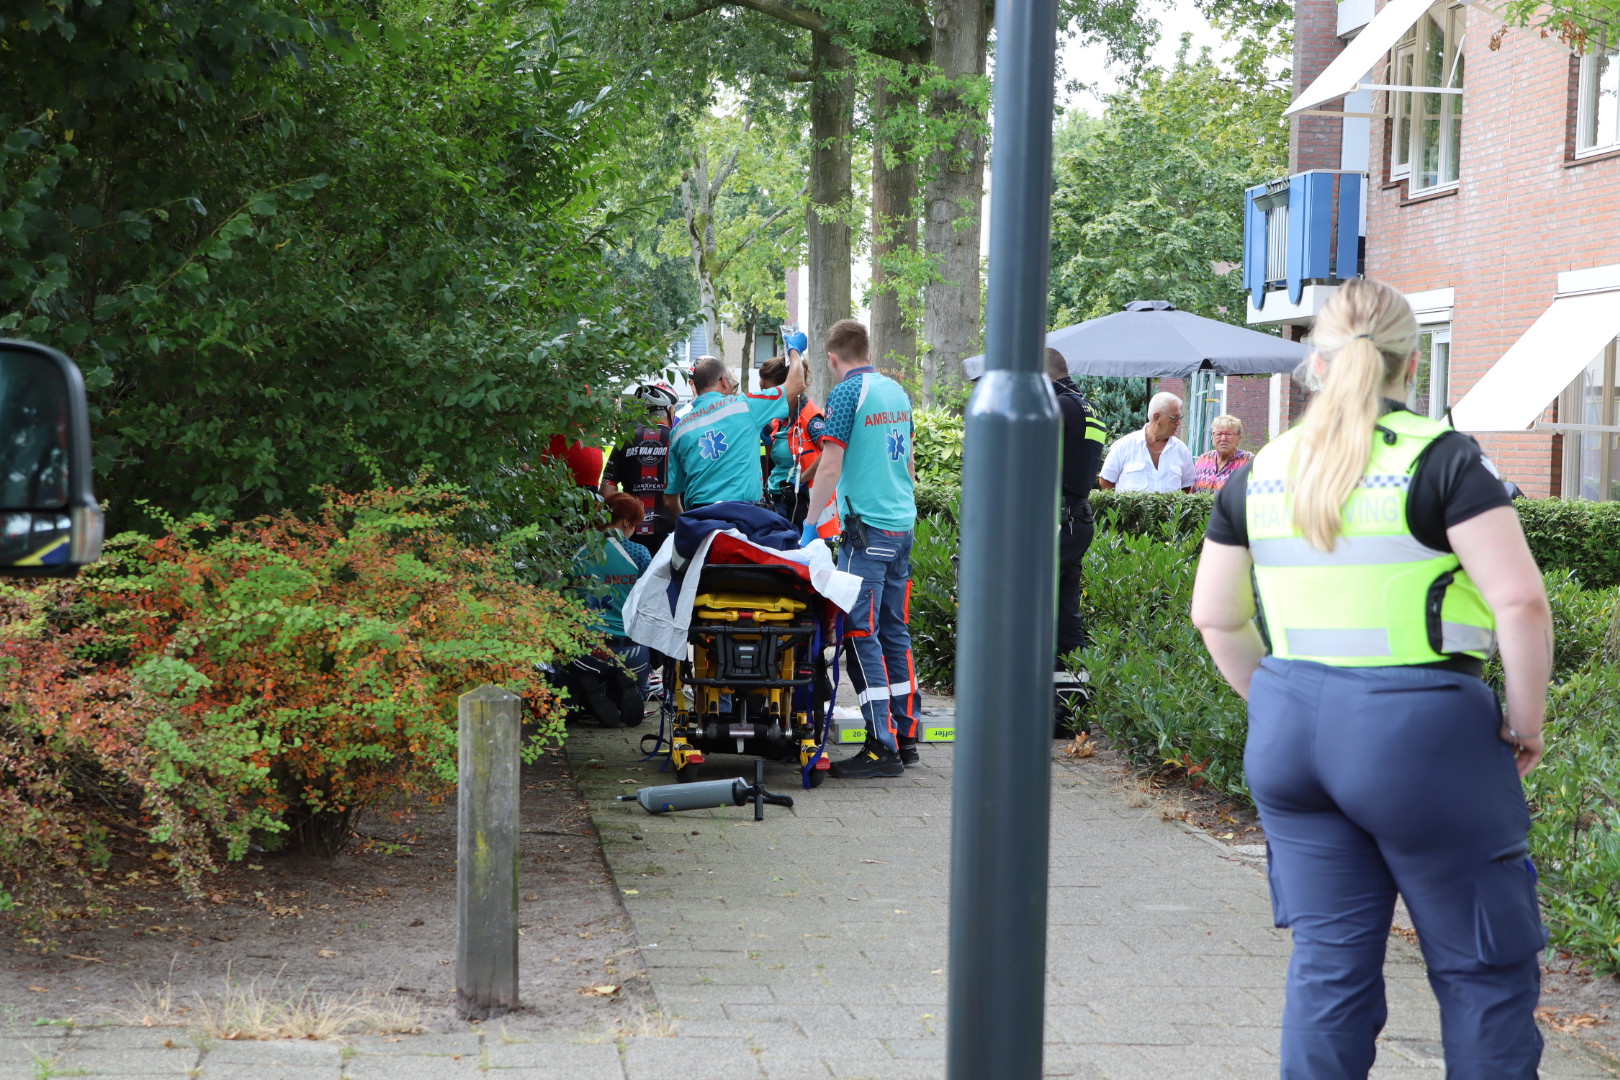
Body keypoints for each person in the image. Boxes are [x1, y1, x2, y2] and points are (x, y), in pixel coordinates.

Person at [1189, 278, 1552, 1080]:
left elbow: (1215, 616)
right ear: (1410, 361)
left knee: (1330, 970)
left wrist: (1284, 702)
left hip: (1292, 737)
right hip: (1422, 735)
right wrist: (1525, 724)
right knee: (1482, 970)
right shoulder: (1444, 459)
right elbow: (1520, 601)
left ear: (1316, 363)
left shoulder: (1264, 468)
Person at [803, 319, 919, 779]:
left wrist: (810, 525)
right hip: (900, 525)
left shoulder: (848, 394)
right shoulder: (895, 391)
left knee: (859, 633)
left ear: (833, 358)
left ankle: (881, 747)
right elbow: (907, 460)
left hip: (865, 531)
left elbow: (829, 465)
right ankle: (906, 735)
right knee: (894, 630)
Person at [566, 493, 656, 728]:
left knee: (573, 686)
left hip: (588, 647)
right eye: (635, 524)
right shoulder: (639, 553)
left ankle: (589, 688)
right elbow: (652, 597)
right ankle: (629, 687)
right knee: (638, 688)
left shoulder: (579, 553)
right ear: (626, 522)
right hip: (632, 647)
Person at [1049, 348, 1107, 663]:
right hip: (1077, 516)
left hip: (1057, 519)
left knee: (1032, 600)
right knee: (1065, 607)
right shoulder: (1090, 408)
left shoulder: (1057, 407)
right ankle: (1073, 689)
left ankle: (1035, 689)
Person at [601, 382, 680, 555]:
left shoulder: (626, 439)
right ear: (670, 411)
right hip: (671, 529)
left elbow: (607, 489)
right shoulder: (678, 439)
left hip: (632, 528)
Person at [1096, 392, 1195, 493]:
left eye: (1180, 418)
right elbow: (1105, 481)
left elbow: (1187, 487)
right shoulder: (1124, 445)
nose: (1178, 423)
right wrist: (1121, 506)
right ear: (1157, 417)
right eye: (1174, 418)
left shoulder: (1181, 450)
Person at [1191, 414, 1253, 493]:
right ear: (1212, 437)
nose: (1223, 439)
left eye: (1228, 434)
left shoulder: (1248, 461)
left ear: (1239, 437)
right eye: (1219, 434)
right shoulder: (1203, 459)